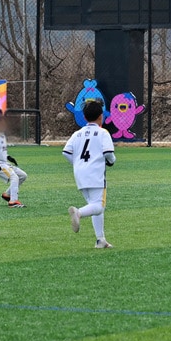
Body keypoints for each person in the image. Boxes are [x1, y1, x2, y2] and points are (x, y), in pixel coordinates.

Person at [63, 99, 115, 249]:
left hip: (80, 174)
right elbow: (108, 153)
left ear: (85, 117)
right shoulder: (103, 133)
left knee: (93, 205)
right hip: (95, 174)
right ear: (101, 116)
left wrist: (77, 164)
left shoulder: (77, 134)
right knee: (99, 207)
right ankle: (78, 213)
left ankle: (100, 240)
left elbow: (66, 152)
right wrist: (112, 161)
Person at [0, 113, 28, 207]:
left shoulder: (1, 136)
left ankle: (7, 194)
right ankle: (13, 201)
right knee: (14, 177)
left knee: (23, 176)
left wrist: (9, 157)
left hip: (5, 163)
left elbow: (0, 152)